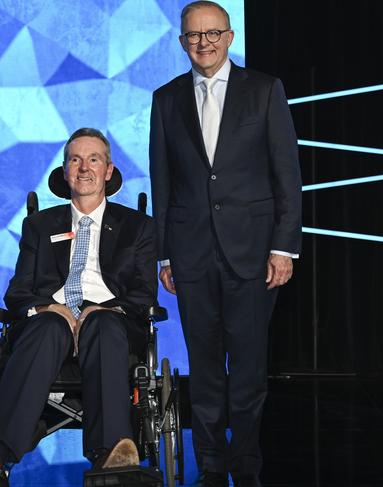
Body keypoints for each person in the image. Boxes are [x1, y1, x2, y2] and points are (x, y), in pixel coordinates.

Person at [149, 2, 302, 486]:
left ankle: (246, 461)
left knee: (250, 369)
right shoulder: (166, 98)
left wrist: (284, 247)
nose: (204, 43)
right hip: (191, 254)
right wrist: (165, 253)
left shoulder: (264, 90)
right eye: (194, 36)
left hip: (255, 255)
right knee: (207, 368)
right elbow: (163, 181)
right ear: (182, 43)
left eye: (213, 33)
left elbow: (287, 176)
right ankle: (212, 463)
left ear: (229, 36)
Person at [0, 128, 158, 479]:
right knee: (48, 325)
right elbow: (18, 293)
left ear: (108, 170)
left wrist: (103, 309)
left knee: (102, 324)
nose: (84, 168)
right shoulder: (39, 225)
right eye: (75, 160)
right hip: (50, 322)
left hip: (112, 323)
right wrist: (49, 308)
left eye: (94, 159)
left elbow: (143, 295)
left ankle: (110, 453)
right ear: (64, 172)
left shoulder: (137, 227)